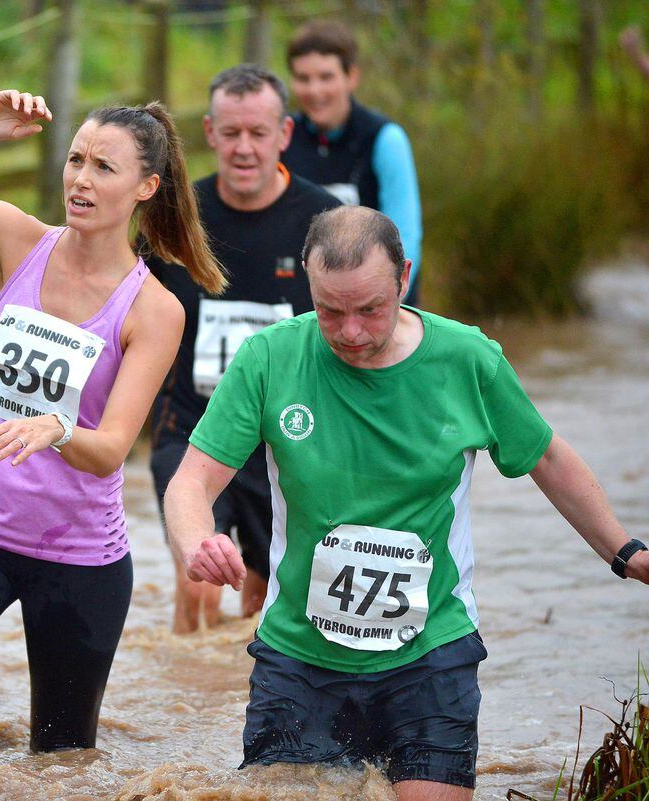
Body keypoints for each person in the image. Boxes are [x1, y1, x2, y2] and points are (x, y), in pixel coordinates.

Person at [165, 205, 649, 801]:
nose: (349, 331)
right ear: (309, 289)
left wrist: (627, 552)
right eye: (329, 311)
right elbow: (191, 481)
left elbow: (546, 459)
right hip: (299, 659)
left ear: (404, 278)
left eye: (370, 309)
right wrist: (196, 542)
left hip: (430, 656)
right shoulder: (269, 359)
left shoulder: (466, 359)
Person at [0, 89, 224, 763]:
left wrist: (54, 427)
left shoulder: (154, 309)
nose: (81, 179)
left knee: (61, 762)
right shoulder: (17, 237)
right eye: (75, 159)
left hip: (79, 557)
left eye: (103, 168)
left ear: (146, 185)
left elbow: (113, 447)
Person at [148, 64, 339, 634]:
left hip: (288, 438)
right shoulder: (175, 218)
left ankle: (240, 711)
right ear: (209, 132)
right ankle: (184, 714)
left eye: (259, 133)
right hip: (191, 427)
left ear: (284, 134)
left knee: (267, 598)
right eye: (231, 133)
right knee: (199, 585)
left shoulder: (325, 220)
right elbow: (124, 316)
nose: (244, 148)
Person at [282, 20, 424, 304]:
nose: (315, 91)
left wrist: (384, 303)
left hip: (375, 300)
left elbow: (406, 234)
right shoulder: (283, 138)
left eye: (326, 77)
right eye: (303, 78)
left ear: (352, 77)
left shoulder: (385, 139)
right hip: (306, 300)